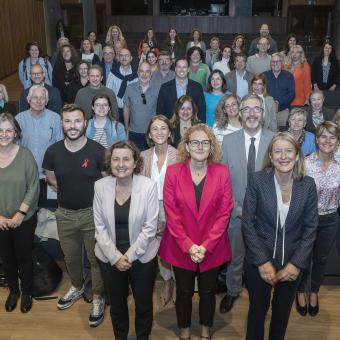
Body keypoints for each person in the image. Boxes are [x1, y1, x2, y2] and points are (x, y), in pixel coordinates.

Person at [159, 124, 233, 340]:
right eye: (195, 142)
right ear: (187, 147)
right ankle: (184, 330)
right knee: (183, 292)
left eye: (205, 142)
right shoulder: (173, 172)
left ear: (211, 147)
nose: (200, 146)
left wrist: (205, 246)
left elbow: (224, 211)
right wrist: (189, 246)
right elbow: (171, 213)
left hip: (212, 246)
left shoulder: (222, 172)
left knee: (209, 292)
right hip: (181, 245)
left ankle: (205, 330)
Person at [242, 132, 318, 339]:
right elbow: (248, 223)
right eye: (278, 151)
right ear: (271, 155)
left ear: (297, 155)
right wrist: (262, 261)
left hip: (292, 263)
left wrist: (296, 263)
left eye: (288, 151)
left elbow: (311, 228)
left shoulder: (308, 185)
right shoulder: (258, 180)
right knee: (257, 312)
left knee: (282, 313)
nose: (283, 156)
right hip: (259, 260)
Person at [43, 104, 106, 327]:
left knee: (95, 258)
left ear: (85, 123)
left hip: (92, 215)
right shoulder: (53, 151)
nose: (72, 126)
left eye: (77, 121)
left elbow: (107, 181)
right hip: (65, 214)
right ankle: (77, 287)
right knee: (70, 258)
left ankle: (98, 296)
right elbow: (51, 178)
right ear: (62, 123)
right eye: (68, 121)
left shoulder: (98, 151)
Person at [94, 140, 159, 339]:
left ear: (135, 162)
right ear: (110, 162)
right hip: (109, 256)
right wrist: (115, 257)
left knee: (143, 304)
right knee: (117, 304)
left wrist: (128, 257)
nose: (121, 164)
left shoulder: (148, 186)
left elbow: (150, 228)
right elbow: (99, 227)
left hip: (142, 255)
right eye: (116, 159)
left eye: (126, 159)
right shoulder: (100, 186)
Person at [220, 94, 274, 314]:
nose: (251, 113)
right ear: (240, 113)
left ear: (263, 114)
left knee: (263, 256)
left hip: (267, 216)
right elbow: (222, 181)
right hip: (236, 212)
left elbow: (281, 179)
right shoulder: (228, 141)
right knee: (235, 256)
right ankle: (232, 290)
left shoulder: (274, 140)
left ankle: (259, 292)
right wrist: (236, 207)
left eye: (256, 109)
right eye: (247, 109)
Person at [296, 121, 339, 317]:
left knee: (320, 259)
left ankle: (313, 291)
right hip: (307, 220)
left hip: (330, 220)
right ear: (317, 139)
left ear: (337, 141)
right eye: (323, 136)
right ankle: (299, 291)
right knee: (303, 258)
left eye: (332, 137)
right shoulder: (304, 163)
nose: (327, 141)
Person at [0, 112, 39, 313]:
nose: (4, 134)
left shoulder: (25, 155)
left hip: (23, 219)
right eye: (0, 130)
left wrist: (20, 214)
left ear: (16, 133)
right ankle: (13, 291)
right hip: (0, 221)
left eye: (8, 130)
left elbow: (33, 187)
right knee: (7, 258)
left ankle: (27, 292)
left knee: (23, 257)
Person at [140, 115, 177, 306]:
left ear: (170, 133)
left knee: (175, 247)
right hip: (150, 207)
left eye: (163, 128)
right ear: (149, 134)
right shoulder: (143, 156)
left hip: (175, 208)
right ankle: (166, 281)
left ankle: (178, 282)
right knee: (158, 247)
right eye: (155, 129)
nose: (159, 132)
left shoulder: (179, 156)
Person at [15, 85, 63, 203]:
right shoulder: (19, 119)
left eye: (42, 98)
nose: (38, 101)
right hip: (24, 176)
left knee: (48, 211)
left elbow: (60, 147)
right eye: (35, 97)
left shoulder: (56, 119)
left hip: (48, 177)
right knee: (28, 212)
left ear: (47, 101)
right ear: (28, 99)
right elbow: (14, 148)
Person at [157, 58, 206, 122]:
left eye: (184, 67)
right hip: (171, 127)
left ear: (188, 69)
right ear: (175, 69)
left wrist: (200, 129)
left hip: (191, 127)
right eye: (179, 67)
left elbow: (201, 111)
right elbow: (160, 112)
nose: (181, 70)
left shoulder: (197, 87)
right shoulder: (165, 87)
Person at [123, 62, 158, 151]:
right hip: (133, 132)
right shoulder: (130, 88)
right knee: (135, 160)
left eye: (147, 72)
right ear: (138, 73)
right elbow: (126, 108)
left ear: (151, 74)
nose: (144, 74)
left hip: (152, 132)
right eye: (141, 71)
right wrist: (126, 128)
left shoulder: (158, 89)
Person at [264, 53, 295, 130]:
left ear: (282, 63)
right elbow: (261, 92)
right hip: (267, 111)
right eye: (273, 62)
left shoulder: (289, 76)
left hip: (283, 111)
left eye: (278, 61)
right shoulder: (264, 75)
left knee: (282, 135)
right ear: (270, 63)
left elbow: (291, 93)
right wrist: (272, 102)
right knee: (268, 134)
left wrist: (278, 102)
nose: (275, 64)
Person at [106, 48, 138, 123]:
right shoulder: (113, 73)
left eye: (126, 56)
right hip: (116, 111)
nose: (124, 58)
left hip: (132, 111)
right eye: (121, 56)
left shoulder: (137, 74)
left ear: (131, 58)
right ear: (118, 58)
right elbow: (108, 93)